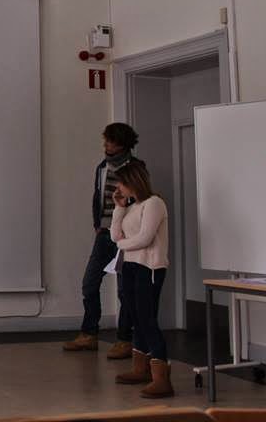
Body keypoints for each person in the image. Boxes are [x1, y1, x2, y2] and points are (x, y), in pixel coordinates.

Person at [63, 123, 139, 357]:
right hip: (104, 234)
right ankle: (89, 334)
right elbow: (97, 196)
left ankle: (125, 339)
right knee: (89, 283)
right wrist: (97, 225)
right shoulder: (102, 166)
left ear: (122, 143)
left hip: (126, 236)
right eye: (105, 140)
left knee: (125, 290)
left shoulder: (136, 167)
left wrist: (129, 229)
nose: (105, 144)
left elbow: (139, 200)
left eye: (110, 141)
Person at [110, 161, 173, 398]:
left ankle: (162, 378)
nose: (118, 188)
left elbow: (145, 238)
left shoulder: (154, 203)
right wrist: (118, 208)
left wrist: (122, 244)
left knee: (147, 319)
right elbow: (115, 234)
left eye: (121, 183)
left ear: (132, 181)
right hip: (130, 266)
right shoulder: (131, 206)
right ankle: (141, 369)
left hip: (150, 268)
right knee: (135, 317)